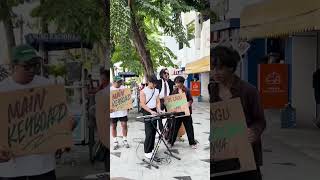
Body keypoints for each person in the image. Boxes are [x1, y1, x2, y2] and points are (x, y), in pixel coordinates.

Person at [0, 44, 75, 180]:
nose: (32, 70)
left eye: (36, 65)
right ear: (14, 66)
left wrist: (64, 136)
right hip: (10, 171)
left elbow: (68, 118)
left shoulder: (47, 86)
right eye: (27, 66)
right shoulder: (2, 91)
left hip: (43, 168)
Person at [208, 46, 266, 180]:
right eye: (212, 68)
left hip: (245, 154)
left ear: (231, 68)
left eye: (220, 68)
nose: (215, 72)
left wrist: (254, 132)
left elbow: (260, 120)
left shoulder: (248, 91)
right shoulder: (212, 89)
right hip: (220, 154)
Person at [167, 76, 197, 149]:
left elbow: (191, 100)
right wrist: (172, 108)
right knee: (174, 127)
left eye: (178, 83)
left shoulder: (187, 90)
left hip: (186, 112)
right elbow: (171, 101)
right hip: (177, 113)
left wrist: (188, 104)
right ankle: (171, 142)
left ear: (182, 83)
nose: (177, 84)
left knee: (189, 128)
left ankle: (192, 143)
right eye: (176, 82)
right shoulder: (174, 91)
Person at [140, 75, 161, 162]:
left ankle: (151, 149)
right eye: (153, 83)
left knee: (153, 131)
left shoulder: (156, 90)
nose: (155, 85)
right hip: (147, 111)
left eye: (156, 83)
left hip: (154, 110)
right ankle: (147, 151)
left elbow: (158, 101)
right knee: (148, 132)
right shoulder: (143, 91)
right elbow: (142, 104)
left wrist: (158, 109)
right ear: (149, 82)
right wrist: (150, 111)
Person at [110, 76, 130, 150]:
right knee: (114, 126)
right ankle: (115, 141)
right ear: (114, 82)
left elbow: (128, 98)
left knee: (124, 125)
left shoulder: (124, 88)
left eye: (120, 81)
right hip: (113, 112)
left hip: (122, 111)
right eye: (118, 82)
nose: (120, 83)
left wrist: (128, 107)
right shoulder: (110, 90)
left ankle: (125, 139)